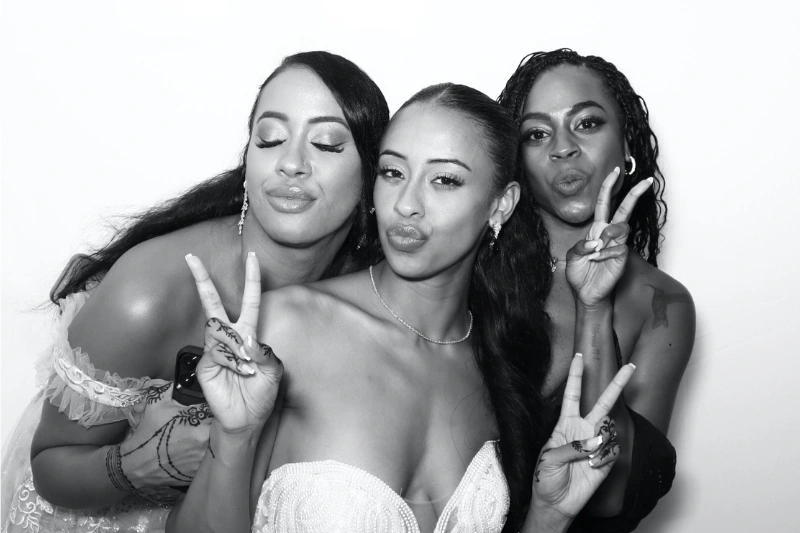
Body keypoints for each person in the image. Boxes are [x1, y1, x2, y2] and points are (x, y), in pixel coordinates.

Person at [169, 83, 638, 533]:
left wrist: (548, 517)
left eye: (445, 180)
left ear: (501, 205)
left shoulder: (501, 362)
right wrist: (234, 437)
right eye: (393, 173)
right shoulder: (287, 328)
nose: (406, 204)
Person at [1, 51, 389, 533]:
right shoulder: (149, 293)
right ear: (248, 159)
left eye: (328, 143)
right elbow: (51, 468)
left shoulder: (373, 288)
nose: (291, 163)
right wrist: (141, 463)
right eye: (270, 139)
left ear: (373, 173)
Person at [498, 49, 696, 531]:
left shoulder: (662, 305)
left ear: (626, 143)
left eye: (586, 123)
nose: (562, 147)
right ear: (516, 160)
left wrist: (594, 307)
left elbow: (610, 496)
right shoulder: (474, 267)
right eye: (537, 133)